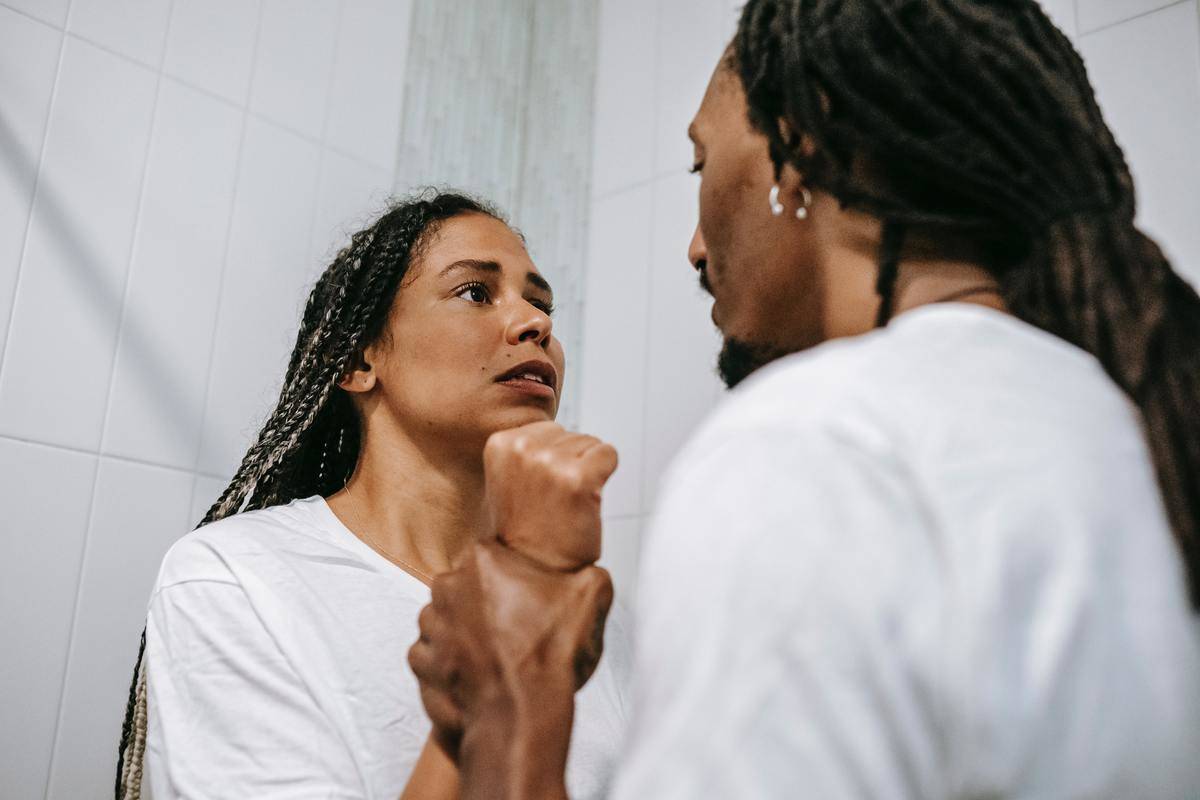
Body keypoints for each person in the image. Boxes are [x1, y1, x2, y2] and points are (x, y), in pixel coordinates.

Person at [408, 1, 1200, 798]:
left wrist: (513, 693)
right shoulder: (1136, 422)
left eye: (700, 164)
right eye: (475, 291)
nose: (693, 245)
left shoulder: (817, 443)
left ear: (802, 144)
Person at [113, 192, 630, 800]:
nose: (536, 323)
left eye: (541, 304)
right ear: (359, 359)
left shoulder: (596, 619)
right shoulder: (235, 582)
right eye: (475, 292)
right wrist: (498, 676)